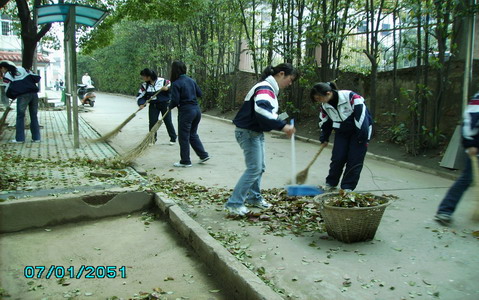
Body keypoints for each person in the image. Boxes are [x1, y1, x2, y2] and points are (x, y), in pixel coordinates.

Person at [224, 63, 297, 216]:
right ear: (281, 74)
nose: (290, 84)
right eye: (290, 79)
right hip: (248, 132)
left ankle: (254, 198)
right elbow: (262, 109)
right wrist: (283, 127)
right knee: (254, 168)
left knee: (259, 167)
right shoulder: (265, 88)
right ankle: (234, 203)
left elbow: (268, 112)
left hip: (255, 132)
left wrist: (282, 120)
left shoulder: (268, 88)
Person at [310, 82, 373, 192]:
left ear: (328, 93)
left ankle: (347, 187)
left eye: (319, 98)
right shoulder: (325, 106)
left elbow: (362, 119)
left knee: (354, 160)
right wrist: (324, 137)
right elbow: (325, 122)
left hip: (359, 132)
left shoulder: (352, 97)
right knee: (337, 158)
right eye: (316, 99)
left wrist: (362, 139)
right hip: (342, 132)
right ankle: (331, 182)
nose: (318, 101)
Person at [435, 92, 479, 225]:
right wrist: (470, 143)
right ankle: (445, 211)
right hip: (476, 149)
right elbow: (469, 120)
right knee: (467, 179)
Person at [168, 61, 209, 167]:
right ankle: (203, 155)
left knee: (183, 136)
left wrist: (169, 107)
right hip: (196, 110)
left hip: (186, 112)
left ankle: (185, 161)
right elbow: (200, 94)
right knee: (192, 134)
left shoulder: (176, 83)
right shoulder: (191, 80)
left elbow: (175, 100)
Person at [0, 60, 41, 143]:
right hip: (34, 94)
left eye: (1, 70)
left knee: (20, 116)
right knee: (34, 116)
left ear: (3, 68)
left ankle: (20, 139)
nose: (2, 72)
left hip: (22, 96)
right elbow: (36, 77)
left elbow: (7, 89)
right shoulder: (22, 69)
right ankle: (37, 138)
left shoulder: (8, 75)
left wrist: (12, 96)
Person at [136, 68, 177, 144]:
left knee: (167, 121)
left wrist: (167, 89)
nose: (142, 78)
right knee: (152, 122)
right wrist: (141, 103)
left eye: (143, 76)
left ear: (149, 76)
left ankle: (173, 138)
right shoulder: (144, 86)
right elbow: (140, 96)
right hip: (153, 105)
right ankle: (152, 139)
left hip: (165, 104)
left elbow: (174, 88)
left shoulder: (163, 81)